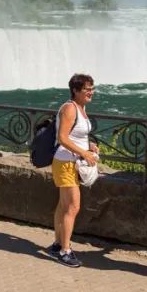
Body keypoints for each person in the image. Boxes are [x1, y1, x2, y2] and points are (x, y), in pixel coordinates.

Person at [46, 74, 100, 268]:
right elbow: (62, 138)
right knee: (73, 207)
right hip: (65, 162)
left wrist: (89, 145)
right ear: (76, 90)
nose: (91, 92)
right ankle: (65, 251)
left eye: (92, 88)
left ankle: (57, 244)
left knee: (63, 205)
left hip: (70, 162)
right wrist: (84, 153)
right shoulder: (70, 108)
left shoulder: (80, 108)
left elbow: (74, 135)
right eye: (87, 89)